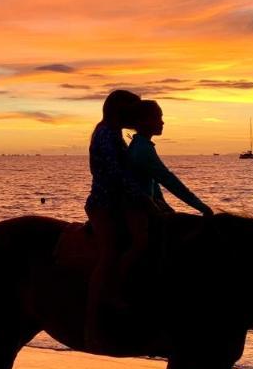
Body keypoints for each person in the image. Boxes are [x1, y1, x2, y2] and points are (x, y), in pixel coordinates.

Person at [84, 89, 152, 349]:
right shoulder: (106, 134)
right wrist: (143, 198)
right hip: (103, 205)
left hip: (117, 205)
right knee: (110, 253)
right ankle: (93, 319)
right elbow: (115, 175)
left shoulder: (115, 134)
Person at [127, 100, 213, 217]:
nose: (162, 122)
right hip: (140, 212)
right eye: (157, 118)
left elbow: (155, 183)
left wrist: (165, 207)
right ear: (143, 121)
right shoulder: (142, 149)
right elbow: (168, 180)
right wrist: (202, 207)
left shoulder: (140, 145)